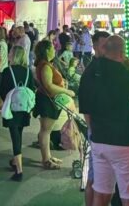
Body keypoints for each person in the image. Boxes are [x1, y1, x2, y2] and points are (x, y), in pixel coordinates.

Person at [78, 35, 129, 206]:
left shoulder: (90, 73)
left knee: (101, 192)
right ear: (122, 52)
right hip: (124, 142)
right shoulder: (127, 74)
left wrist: (92, 130)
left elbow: (85, 107)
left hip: (99, 139)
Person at [79, 30, 110, 206]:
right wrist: (92, 130)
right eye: (103, 45)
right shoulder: (92, 72)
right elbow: (85, 104)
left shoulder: (107, 68)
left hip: (107, 131)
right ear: (95, 46)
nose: (106, 49)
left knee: (100, 176)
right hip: (98, 132)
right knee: (96, 176)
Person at [33, 40, 75, 170]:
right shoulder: (45, 66)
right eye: (52, 48)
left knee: (46, 131)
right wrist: (67, 91)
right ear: (46, 50)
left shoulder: (45, 65)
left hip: (48, 100)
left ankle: (48, 156)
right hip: (48, 101)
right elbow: (49, 86)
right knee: (45, 131)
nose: (55, 49)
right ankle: (46, 159)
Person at [0, 45, 36, 181]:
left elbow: (2, 90)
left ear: (13, 55)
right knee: (18, 133)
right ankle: (15, 161)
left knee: (14, 135)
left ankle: (19, 171)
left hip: (12, 108)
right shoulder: (28, 71)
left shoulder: (8, 71)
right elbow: (32, 89)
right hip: (25, 108)